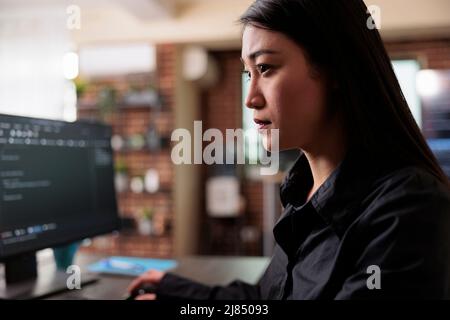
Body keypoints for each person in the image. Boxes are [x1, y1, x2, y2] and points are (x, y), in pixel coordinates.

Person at [128, 0, 450, 299]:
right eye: (247, 73)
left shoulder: (408, 210)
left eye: (265, 68)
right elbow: (265, 299)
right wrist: (179, 293)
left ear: (335, 68)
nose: (250, 97)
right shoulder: (302, 192)